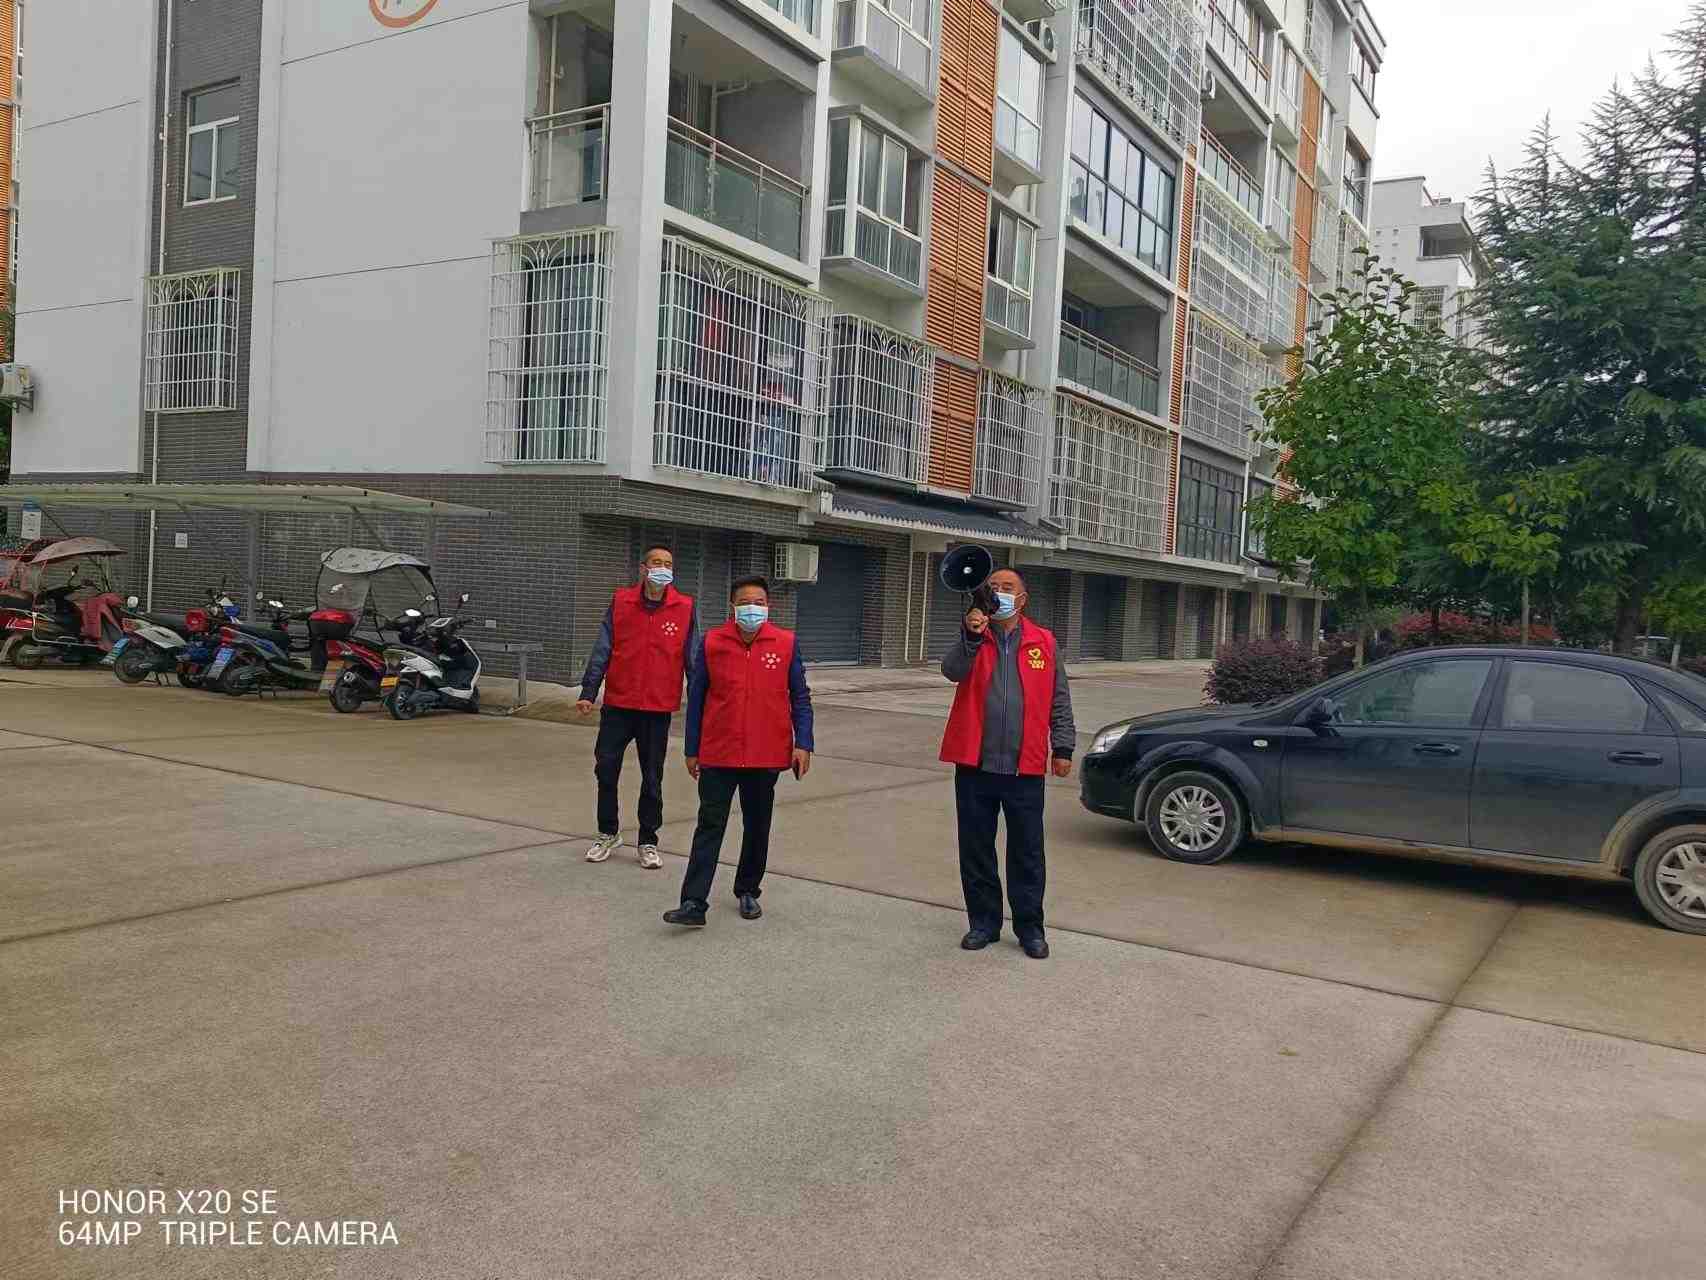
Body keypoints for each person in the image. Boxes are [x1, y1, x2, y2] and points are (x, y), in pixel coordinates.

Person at [940, 568, 1076, 960]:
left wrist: (1063, 746)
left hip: (1024, 767)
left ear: (1022, 599)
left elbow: (1059, 698)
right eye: (993, 588)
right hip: (975, 765)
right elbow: (951, 671)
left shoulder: (1043, 642)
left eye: (1007, 588)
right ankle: (983, 923)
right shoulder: (974, 636)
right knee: (976, 848)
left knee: (1027, 851)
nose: (999, 593)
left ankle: (1030, 927)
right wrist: (971, 636)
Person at [664, 576, 813, 927]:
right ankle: (693, 902)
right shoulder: (713, 642)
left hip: (766, 753)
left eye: (759, 602)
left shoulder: (786, 643)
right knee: (709, 825)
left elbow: (800, 697)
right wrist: (692, 748)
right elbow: (697, 699)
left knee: (757, 825)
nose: (752, 608)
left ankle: (748, 889)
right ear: (733, 607)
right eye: (745, 602)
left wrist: (803, 743)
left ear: (768, 607)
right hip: (719, 752)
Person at [576, 544, 699, 870]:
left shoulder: (684, 607)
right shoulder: (621, 602)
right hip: (619, 703)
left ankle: (648, 840)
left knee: (652, 777)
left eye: (668, 564)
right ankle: (608, 832)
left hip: (657, 708)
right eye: (656, 562)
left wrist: (701, 703)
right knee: (605, 768)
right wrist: (589, 690)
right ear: (643, 569)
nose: (662, 568)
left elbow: (693, 659)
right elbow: (603, 647)